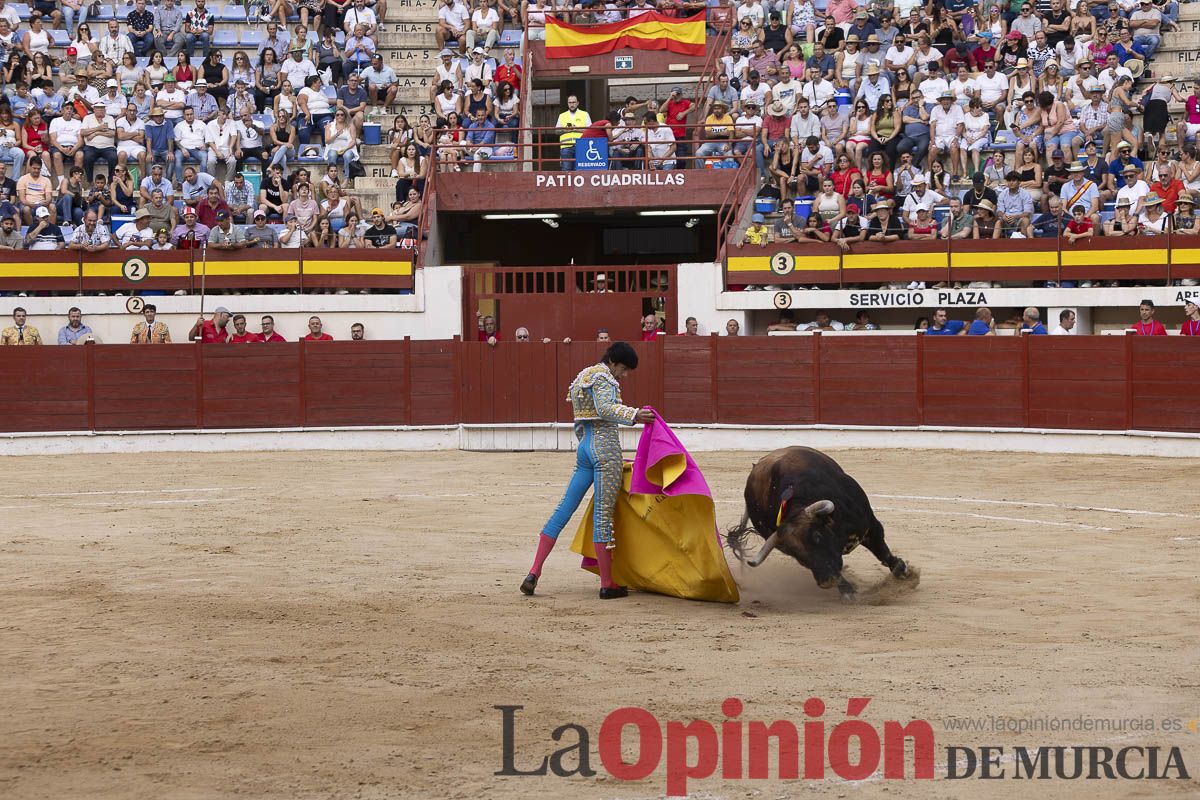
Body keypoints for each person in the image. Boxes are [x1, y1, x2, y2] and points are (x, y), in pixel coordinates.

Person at [520, 342, 656, 600]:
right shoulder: (605, 378)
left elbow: (579, 420)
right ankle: (607, 584)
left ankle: (533, 572)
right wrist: (634, 415)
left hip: (585, 449)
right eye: (624, 369)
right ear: (613, 361)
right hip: (605, 450)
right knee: (603, 516)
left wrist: (586, 444)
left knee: (563, 509)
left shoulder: (583, 376)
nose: (624, 375)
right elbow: (605, 409)